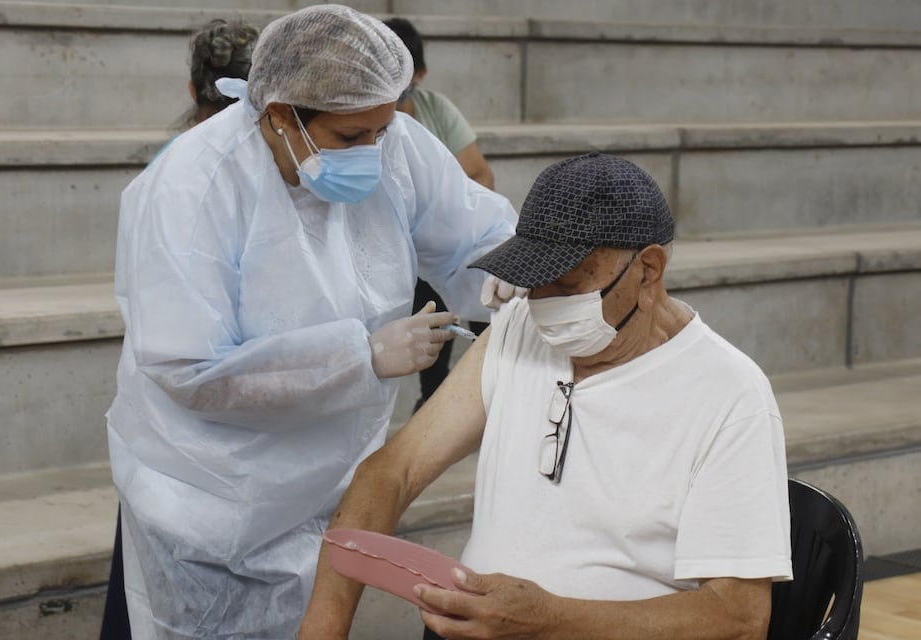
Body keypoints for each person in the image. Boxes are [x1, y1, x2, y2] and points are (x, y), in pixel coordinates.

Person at [107, 4, 518, 639]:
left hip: (336, 477)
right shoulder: (192, 188)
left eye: (383, 131)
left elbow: (476, 231)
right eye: (351, 139)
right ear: (279, 115)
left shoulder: (392, 143)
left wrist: (513, 274)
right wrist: (360, 357)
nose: (374, 153)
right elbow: (187, 367)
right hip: (214, 495)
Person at [299, 152, 793, 640]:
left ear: (648, 271)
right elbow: (392, 472)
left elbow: (739, 617)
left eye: (570, 285)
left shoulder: (728, 395)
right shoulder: (520, 329)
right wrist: (322, 630)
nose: (545, 305)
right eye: (535, 282)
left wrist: (550, 620)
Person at [99, 17, 260, 640]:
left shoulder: (180, 162)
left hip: (191, 422)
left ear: (194, 87)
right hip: (198, 415)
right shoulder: (192, 172)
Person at [384, 16, 495, 412]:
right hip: (396, 252)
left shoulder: (434, 114)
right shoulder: (367, 122)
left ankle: (495, 382)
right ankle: (433, 399)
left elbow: (480, 175)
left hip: (439, 239)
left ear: (420, 74)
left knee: (487, 282)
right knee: (429, 299)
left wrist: (443, 224)